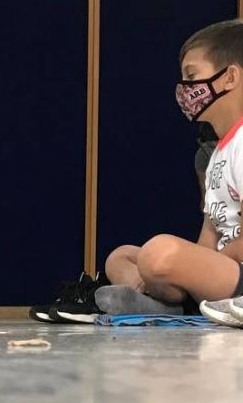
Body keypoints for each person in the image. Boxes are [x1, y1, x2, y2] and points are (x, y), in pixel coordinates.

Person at [97, 19, 243, 319]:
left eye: (192, 76)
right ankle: (173, 304)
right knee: (120, 256)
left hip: (236, 271)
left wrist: (202, 264)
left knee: (160, 253)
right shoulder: (217, 153)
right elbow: (210, 228)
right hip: (220, 271)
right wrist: (197, 266)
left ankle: (175, 302)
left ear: (229, 77)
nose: (186, 89)